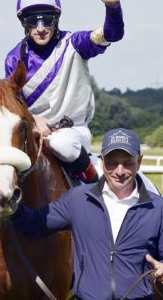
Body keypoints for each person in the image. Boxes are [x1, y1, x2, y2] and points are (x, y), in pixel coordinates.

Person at [5, 0, 124, 183]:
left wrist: (113, 7)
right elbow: (12, 104)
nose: (40, 28)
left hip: (72, 133)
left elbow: (112, 34)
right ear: (24, 23)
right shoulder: (14, 58)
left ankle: (95, 185)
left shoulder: (75, 44)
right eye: (33, 21)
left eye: (47, 20)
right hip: (31, 133)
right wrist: (32, 120)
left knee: (62, 144)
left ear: (56, 20)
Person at [11, 128, 163, 299]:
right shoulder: (78, 199)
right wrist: (8, 203)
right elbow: (35, 224)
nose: (119, 171)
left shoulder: (158, 208)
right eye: (112, 163)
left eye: (127, 163)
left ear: (139, 162)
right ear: (101, 160)